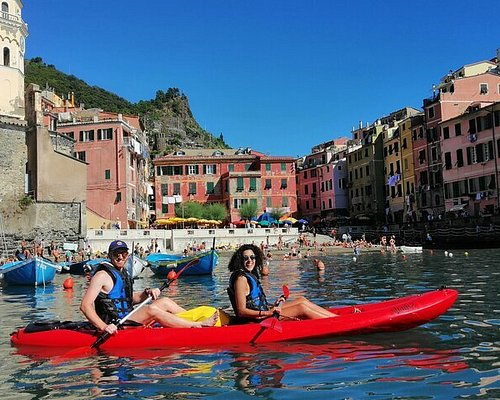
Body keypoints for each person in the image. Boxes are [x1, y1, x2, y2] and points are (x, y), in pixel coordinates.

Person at [80, 240, 218, 335]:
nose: (120, 257)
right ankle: (196, 327)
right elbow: (85, 306)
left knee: (165, 302)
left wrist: (148, 293)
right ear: (110, 255)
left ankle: (192, 320)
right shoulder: (101, 275)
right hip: (115, 322)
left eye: (123, 253)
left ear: (128, 255)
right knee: (151, 309)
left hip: (127, 315)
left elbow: (130, 299)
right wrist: (104, 327)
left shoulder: (123, 272)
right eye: (116, 254)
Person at [227, 244, 336, 322]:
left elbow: (254, 303)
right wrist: (267, 313)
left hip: (265, 313)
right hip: (258, 320)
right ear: (239, 260)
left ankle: (335, 318)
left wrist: (273, 305)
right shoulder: (241, 279)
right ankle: (337, 322)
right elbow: (241, 311)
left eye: (252, 257)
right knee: (301, 308)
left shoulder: (248, 275)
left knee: (301, 300)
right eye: (245, 258)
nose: (250, 260)